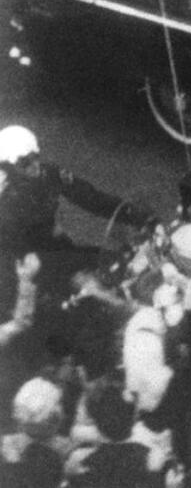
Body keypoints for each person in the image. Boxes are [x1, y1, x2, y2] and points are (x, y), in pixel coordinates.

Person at [0, 126, 136, 335]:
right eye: (25, 163)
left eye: (36, 157)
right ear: (8, 168)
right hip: (25, 269)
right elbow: (24, 260)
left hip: (55, 247)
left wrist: (135, 215)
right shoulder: (5, 206)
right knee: (90, 301)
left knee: (118, 261)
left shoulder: (49, 174)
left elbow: (90, 197)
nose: (35, 166)